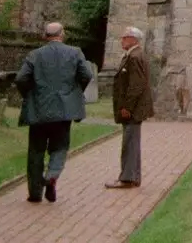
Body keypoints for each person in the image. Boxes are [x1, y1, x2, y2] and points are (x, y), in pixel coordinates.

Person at [14, 21, 94, 204]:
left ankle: (35, 194)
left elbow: (21, 78)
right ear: (62, 34)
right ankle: (52, 175)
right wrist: (74, 93)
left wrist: (30, 94)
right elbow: (87, 75)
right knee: (60, 147)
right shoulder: (75, 53)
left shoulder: (35, 55)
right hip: (63, 110)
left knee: (36, 151)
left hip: (39, 110)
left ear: (45, 36)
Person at [106, 25, 154, 189]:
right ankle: (133, 176)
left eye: (125, 37)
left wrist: (127, 107)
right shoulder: (133, 55)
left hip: (133, 109)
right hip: (133, 107)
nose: (122, 40)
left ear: (133, 39)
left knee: (130, 142)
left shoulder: (135, 56)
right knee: (132, 141)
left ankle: (127, 178)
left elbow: (136, 85)